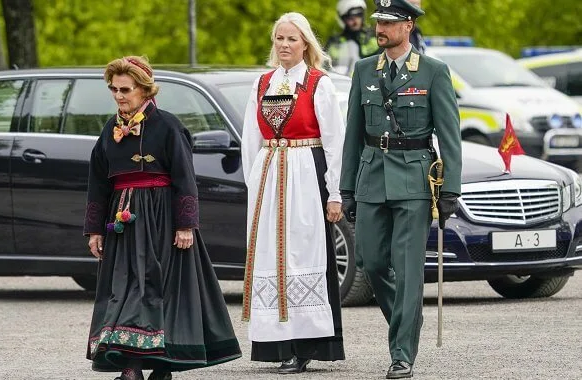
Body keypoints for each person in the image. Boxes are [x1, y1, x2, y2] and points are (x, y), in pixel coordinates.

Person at [84, 56, 241, 380]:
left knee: (160, 292)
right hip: (123, 225)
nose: (118, 95)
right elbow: (98, 183)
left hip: (162, 223)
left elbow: (185, 178)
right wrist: (94, 231)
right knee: (125, 291)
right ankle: (131, 368)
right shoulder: (108, 130)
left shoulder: (168, 125)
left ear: (144, 89)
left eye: (125, 89)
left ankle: (161, 369)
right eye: (113, 89)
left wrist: (185, 225)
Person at [339, 0, 461, 378]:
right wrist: (347, 188)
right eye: (379, 21)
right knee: (372, 263)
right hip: (372, 177)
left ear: (408, 26)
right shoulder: (363, 70)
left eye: (389, 22)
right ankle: (408, 322)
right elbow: (353, 135)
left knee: (408, 270)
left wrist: (450, 189)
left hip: (413, 180)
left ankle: (402, 353)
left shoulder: (433, 72)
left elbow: (450, 135)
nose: (381, 28)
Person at [241, 12, 346, 375]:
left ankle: (306, 344)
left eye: (292, 39)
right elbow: (250, 142)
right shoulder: (262, 83)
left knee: (303, 253)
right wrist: (254, 185)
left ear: (305, 44)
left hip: (305, 172)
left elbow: (335, 142)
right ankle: (277, 343)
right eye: (279, 39)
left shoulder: (319, 84)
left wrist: (335, 193)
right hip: (271, 175)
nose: (284, 45)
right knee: (272, 256)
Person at [325, 0, 382, 76]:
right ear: (342, 19)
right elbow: (325, 66)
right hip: (342, 83)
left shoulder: (373, 39)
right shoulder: (335, 43)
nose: (355, 21)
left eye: (358, 15)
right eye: (350, 18)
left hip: (369, 83)